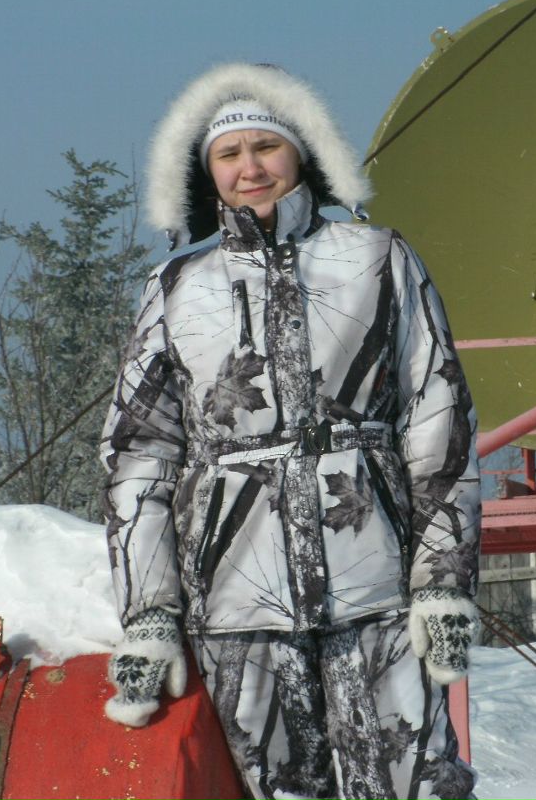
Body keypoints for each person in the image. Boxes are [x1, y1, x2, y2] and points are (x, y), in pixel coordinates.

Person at [100, 62, 481, 800]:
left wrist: (442, 581)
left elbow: (437, 414)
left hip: (376, 590)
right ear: (206, 172)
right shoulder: (178, 287)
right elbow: (139, 452)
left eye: (265, 147)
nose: (250, 168)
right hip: (238, 603)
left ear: (302, 152)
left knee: (417, 786)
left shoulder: (377, 259)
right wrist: (148, 612)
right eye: (228, 154)